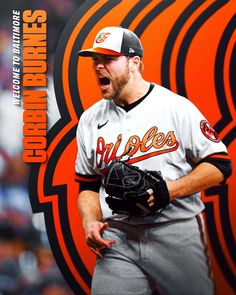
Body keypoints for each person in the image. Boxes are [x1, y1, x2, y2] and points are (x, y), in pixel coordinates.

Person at [75, 26, 232, 295]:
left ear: (135, 62)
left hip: (175, 232)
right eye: (95, 61)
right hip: (117, 238)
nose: (99, 67)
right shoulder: (89, 120)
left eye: (108, 59)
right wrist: (90, 220)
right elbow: (87, 185)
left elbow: (220, 165)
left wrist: (169, 190)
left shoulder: (175, 107)